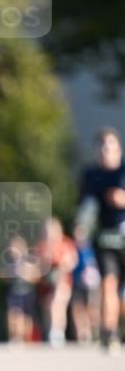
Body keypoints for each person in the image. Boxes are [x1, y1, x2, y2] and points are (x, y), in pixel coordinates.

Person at [76, 127, 125, 355]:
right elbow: (86, 207)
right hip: (106, 237)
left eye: (111, 147)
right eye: (102, 147)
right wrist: (82, 226)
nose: (107, 152)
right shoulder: (91, 176)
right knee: (108, 283)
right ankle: (110, 331)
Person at [35, 218, 78, 348]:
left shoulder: (66, 243)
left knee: (58, 304)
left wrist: (61, 268)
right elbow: (38, 265)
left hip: (63, 280)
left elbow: (72, 261)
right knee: (48, 307)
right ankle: (51, 330)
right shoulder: (42, 246)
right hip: (47, 282)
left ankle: (57, 331)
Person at [2, 235, 40, 344]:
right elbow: (4, 277)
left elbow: (36, 277)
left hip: (27, 292)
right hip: (14, 292)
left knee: (27, 317)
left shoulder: (30, 262)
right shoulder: (9, 264)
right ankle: (15, 337)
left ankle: (26, 338)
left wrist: (27, 275)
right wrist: (11, 273)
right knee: (14, 314)